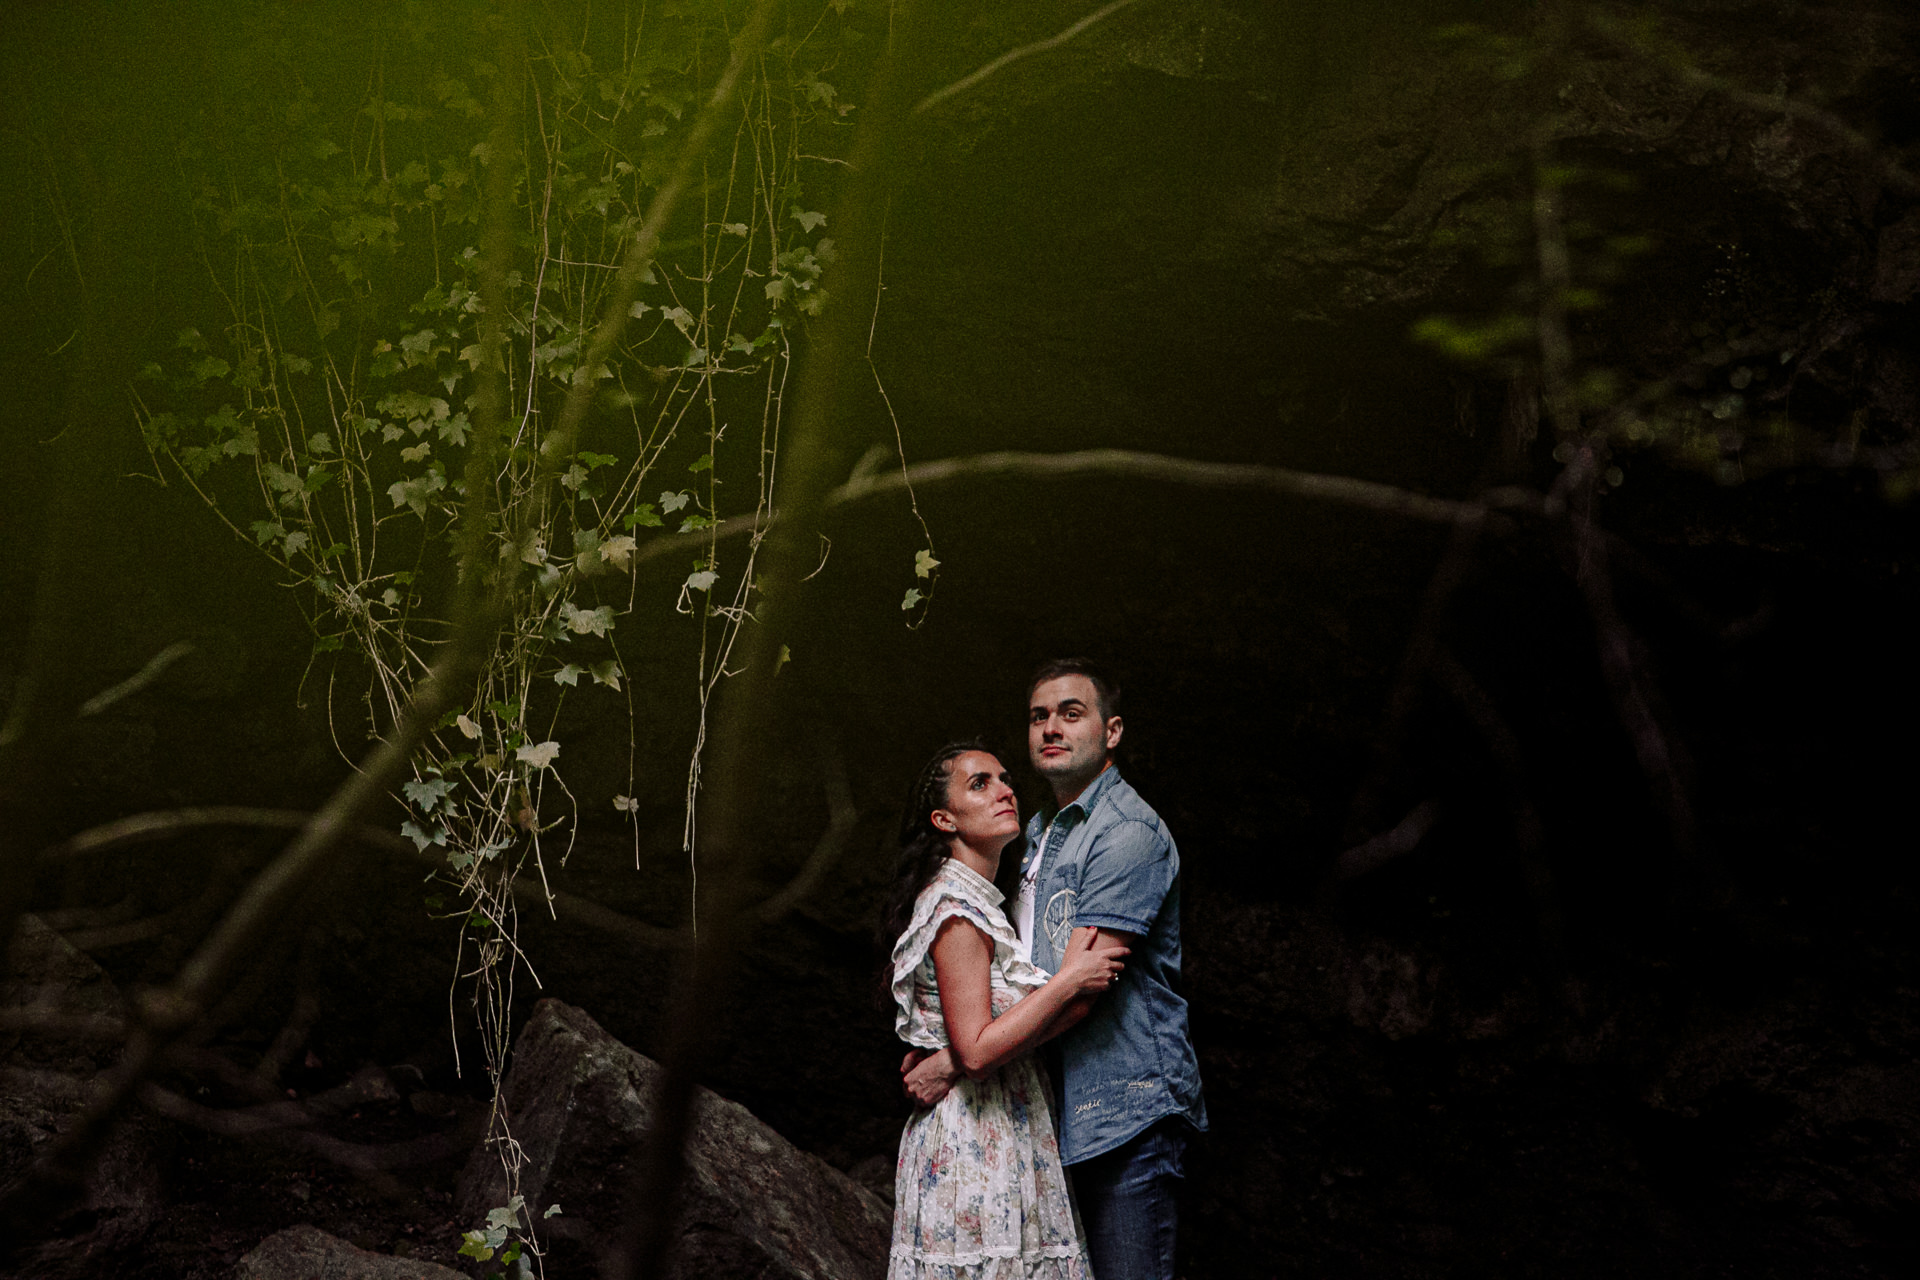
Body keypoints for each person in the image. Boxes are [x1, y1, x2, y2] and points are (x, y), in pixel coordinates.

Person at [906, 661, 1205, 1280]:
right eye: (1040, 716)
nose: (1051, 728)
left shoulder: (1124, 832)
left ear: (1111, 731)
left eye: (1072, 713)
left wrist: (957, 1058)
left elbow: (1081, 992)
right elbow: (1028, 979)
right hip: (1051, 1113)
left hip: (1128, 1112)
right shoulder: (1038, 833)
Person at [881, 740, 1132, 1280]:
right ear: (943, 819)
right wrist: (1067, 982)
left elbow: (1002, 1034)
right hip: (973, 1137)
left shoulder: (985, 905)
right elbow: (976, 1050)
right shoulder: (957, 910)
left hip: (1005, 1125)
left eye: (1004, 779)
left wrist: (947, 1058)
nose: (1005, 791)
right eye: (980, 784)